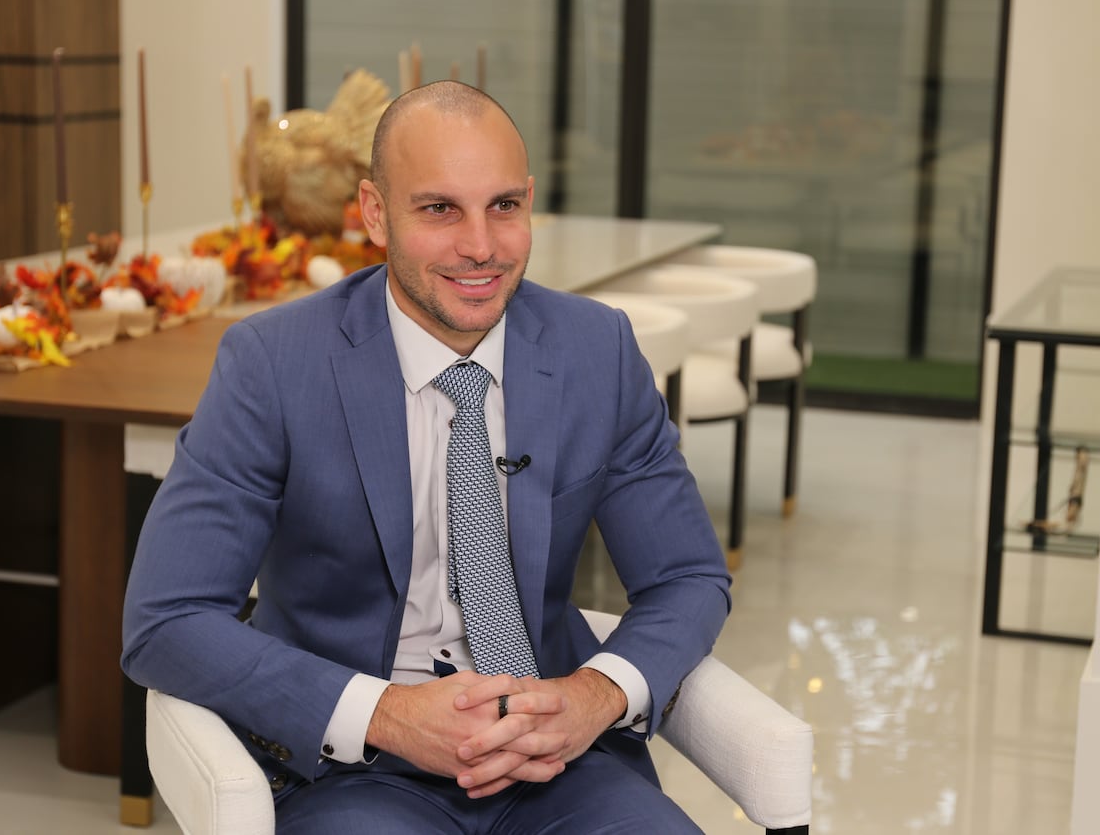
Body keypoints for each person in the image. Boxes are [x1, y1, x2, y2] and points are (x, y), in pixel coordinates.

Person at [121, 80, 731, 833]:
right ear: (375, 212)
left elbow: (687, 575)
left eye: (504, 205)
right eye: (440, 209)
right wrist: (390, 713)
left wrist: (592, 696)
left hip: (561, 762)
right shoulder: (273, 365)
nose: (481, 245)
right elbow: (165, 617)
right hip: (352, 771)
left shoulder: (595, 350)